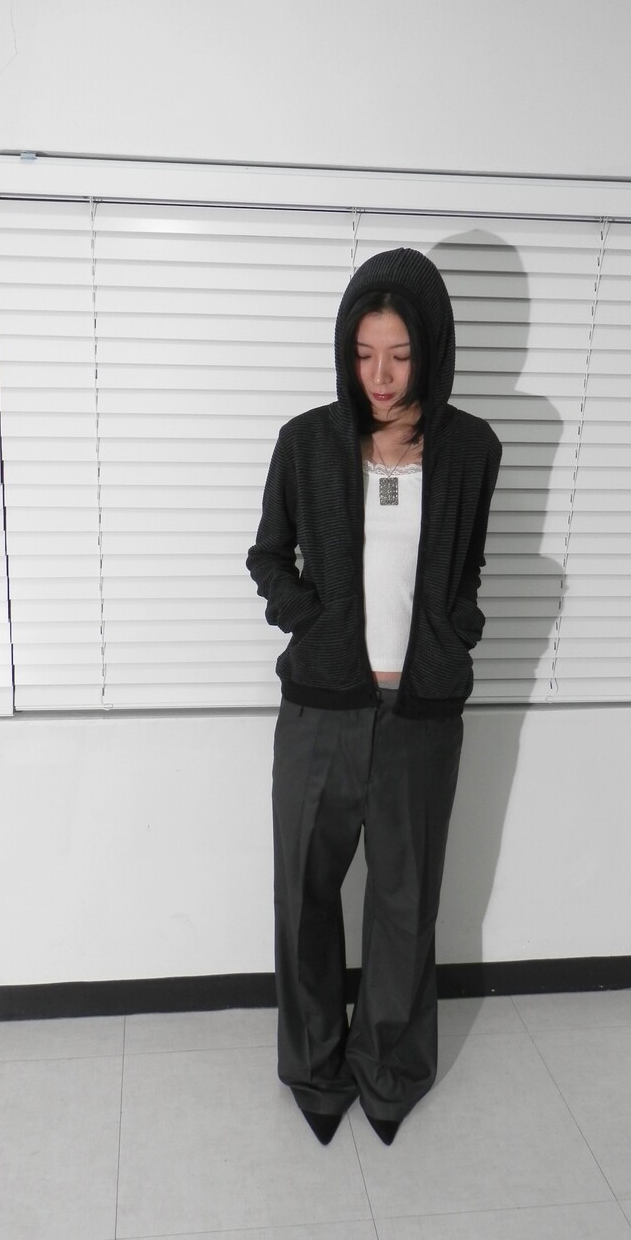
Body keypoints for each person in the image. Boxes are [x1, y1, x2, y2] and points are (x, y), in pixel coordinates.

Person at [247, 247, 501, 1146]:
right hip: (320, 712)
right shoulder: (307, 443)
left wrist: (456, 630)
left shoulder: (472, 451)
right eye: (363, 354)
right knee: (304, 898)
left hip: (420, 719)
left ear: (431, 351)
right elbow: (267, 555)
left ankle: (390, 1073)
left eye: (399, 354)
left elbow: (465, 568)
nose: (381, 376)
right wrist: (307, 620)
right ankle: (316, 1069)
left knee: (405, 903)